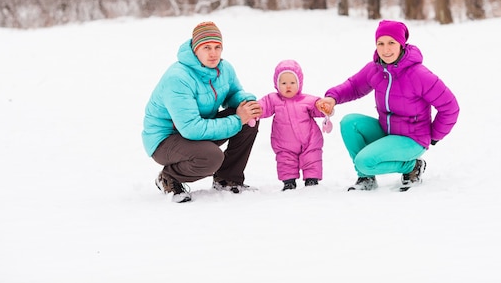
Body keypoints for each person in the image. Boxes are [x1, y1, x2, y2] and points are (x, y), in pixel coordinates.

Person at [316, 20, 459, 192]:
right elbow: (354, 86)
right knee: (349, 122)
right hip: (387, 131)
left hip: (412, 139)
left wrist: (434, 136)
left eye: (391, 42)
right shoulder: (376, 69)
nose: (386, 49)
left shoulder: (419, 75)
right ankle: (366, 178)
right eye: (380, 43)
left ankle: (411, 166)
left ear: (402, 44)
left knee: (364, 162)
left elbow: (450, 106)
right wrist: (332, 98)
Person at [142, 21, 262, 203]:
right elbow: (191, 129)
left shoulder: (224, 68)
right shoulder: (178, 78)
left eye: (217, 47)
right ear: (195, 50)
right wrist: (238, 119)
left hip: (197, 129)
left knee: (249, 118)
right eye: (206, 47)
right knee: (211, 157)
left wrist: (247, 103)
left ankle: (227, 179)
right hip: (165, 139)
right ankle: (169, 177)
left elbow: (233, 94)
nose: (213, 53)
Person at [256, 59, 329, 191]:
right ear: (276, 84)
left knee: (312, 158)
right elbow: (262, 106)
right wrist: (254, 110)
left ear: (299, 83)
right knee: (285, 160)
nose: (288, 86)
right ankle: (288, 182)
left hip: (309, 140)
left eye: (292, 82)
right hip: (284, 142)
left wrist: (324, 107)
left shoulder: (307, 100)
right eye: (283, 83)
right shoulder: (273, 99)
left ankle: (312, 179)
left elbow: (318, 107)